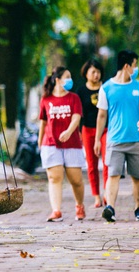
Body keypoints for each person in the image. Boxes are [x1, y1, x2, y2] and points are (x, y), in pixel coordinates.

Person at [94, 50, 139, 222]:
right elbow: (101, 115)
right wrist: (97, 139)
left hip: (136, 140)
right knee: (113, 175)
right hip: (115, 141)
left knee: (138, 177)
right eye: (134, 65)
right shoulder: (106, 88)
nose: (136, 69)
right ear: (127, 66)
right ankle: (110, 207)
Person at [39, 66, 85, 222]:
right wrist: (40, 143)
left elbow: (76, 118)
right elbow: (43, 123)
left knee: (76, 180)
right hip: (51, 144)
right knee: (54, 178)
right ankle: (56, 210)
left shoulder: (74, 98)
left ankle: (79, 205)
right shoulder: (46, 99)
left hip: (72, 143)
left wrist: (68, 131)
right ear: (57, 80)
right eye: (67, 77)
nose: (70, 80)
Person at [77, 58, 107, 208]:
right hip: (88, 129)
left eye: (98, 71)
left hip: (106, 129)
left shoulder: (106, 88)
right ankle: (96, 196)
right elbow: (78, 114)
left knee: (107, 161)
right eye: (93, 72)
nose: (96, 74)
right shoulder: (81, 91)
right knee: (91, 164)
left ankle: (108, 192)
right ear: (86, 73)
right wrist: (79, 132)